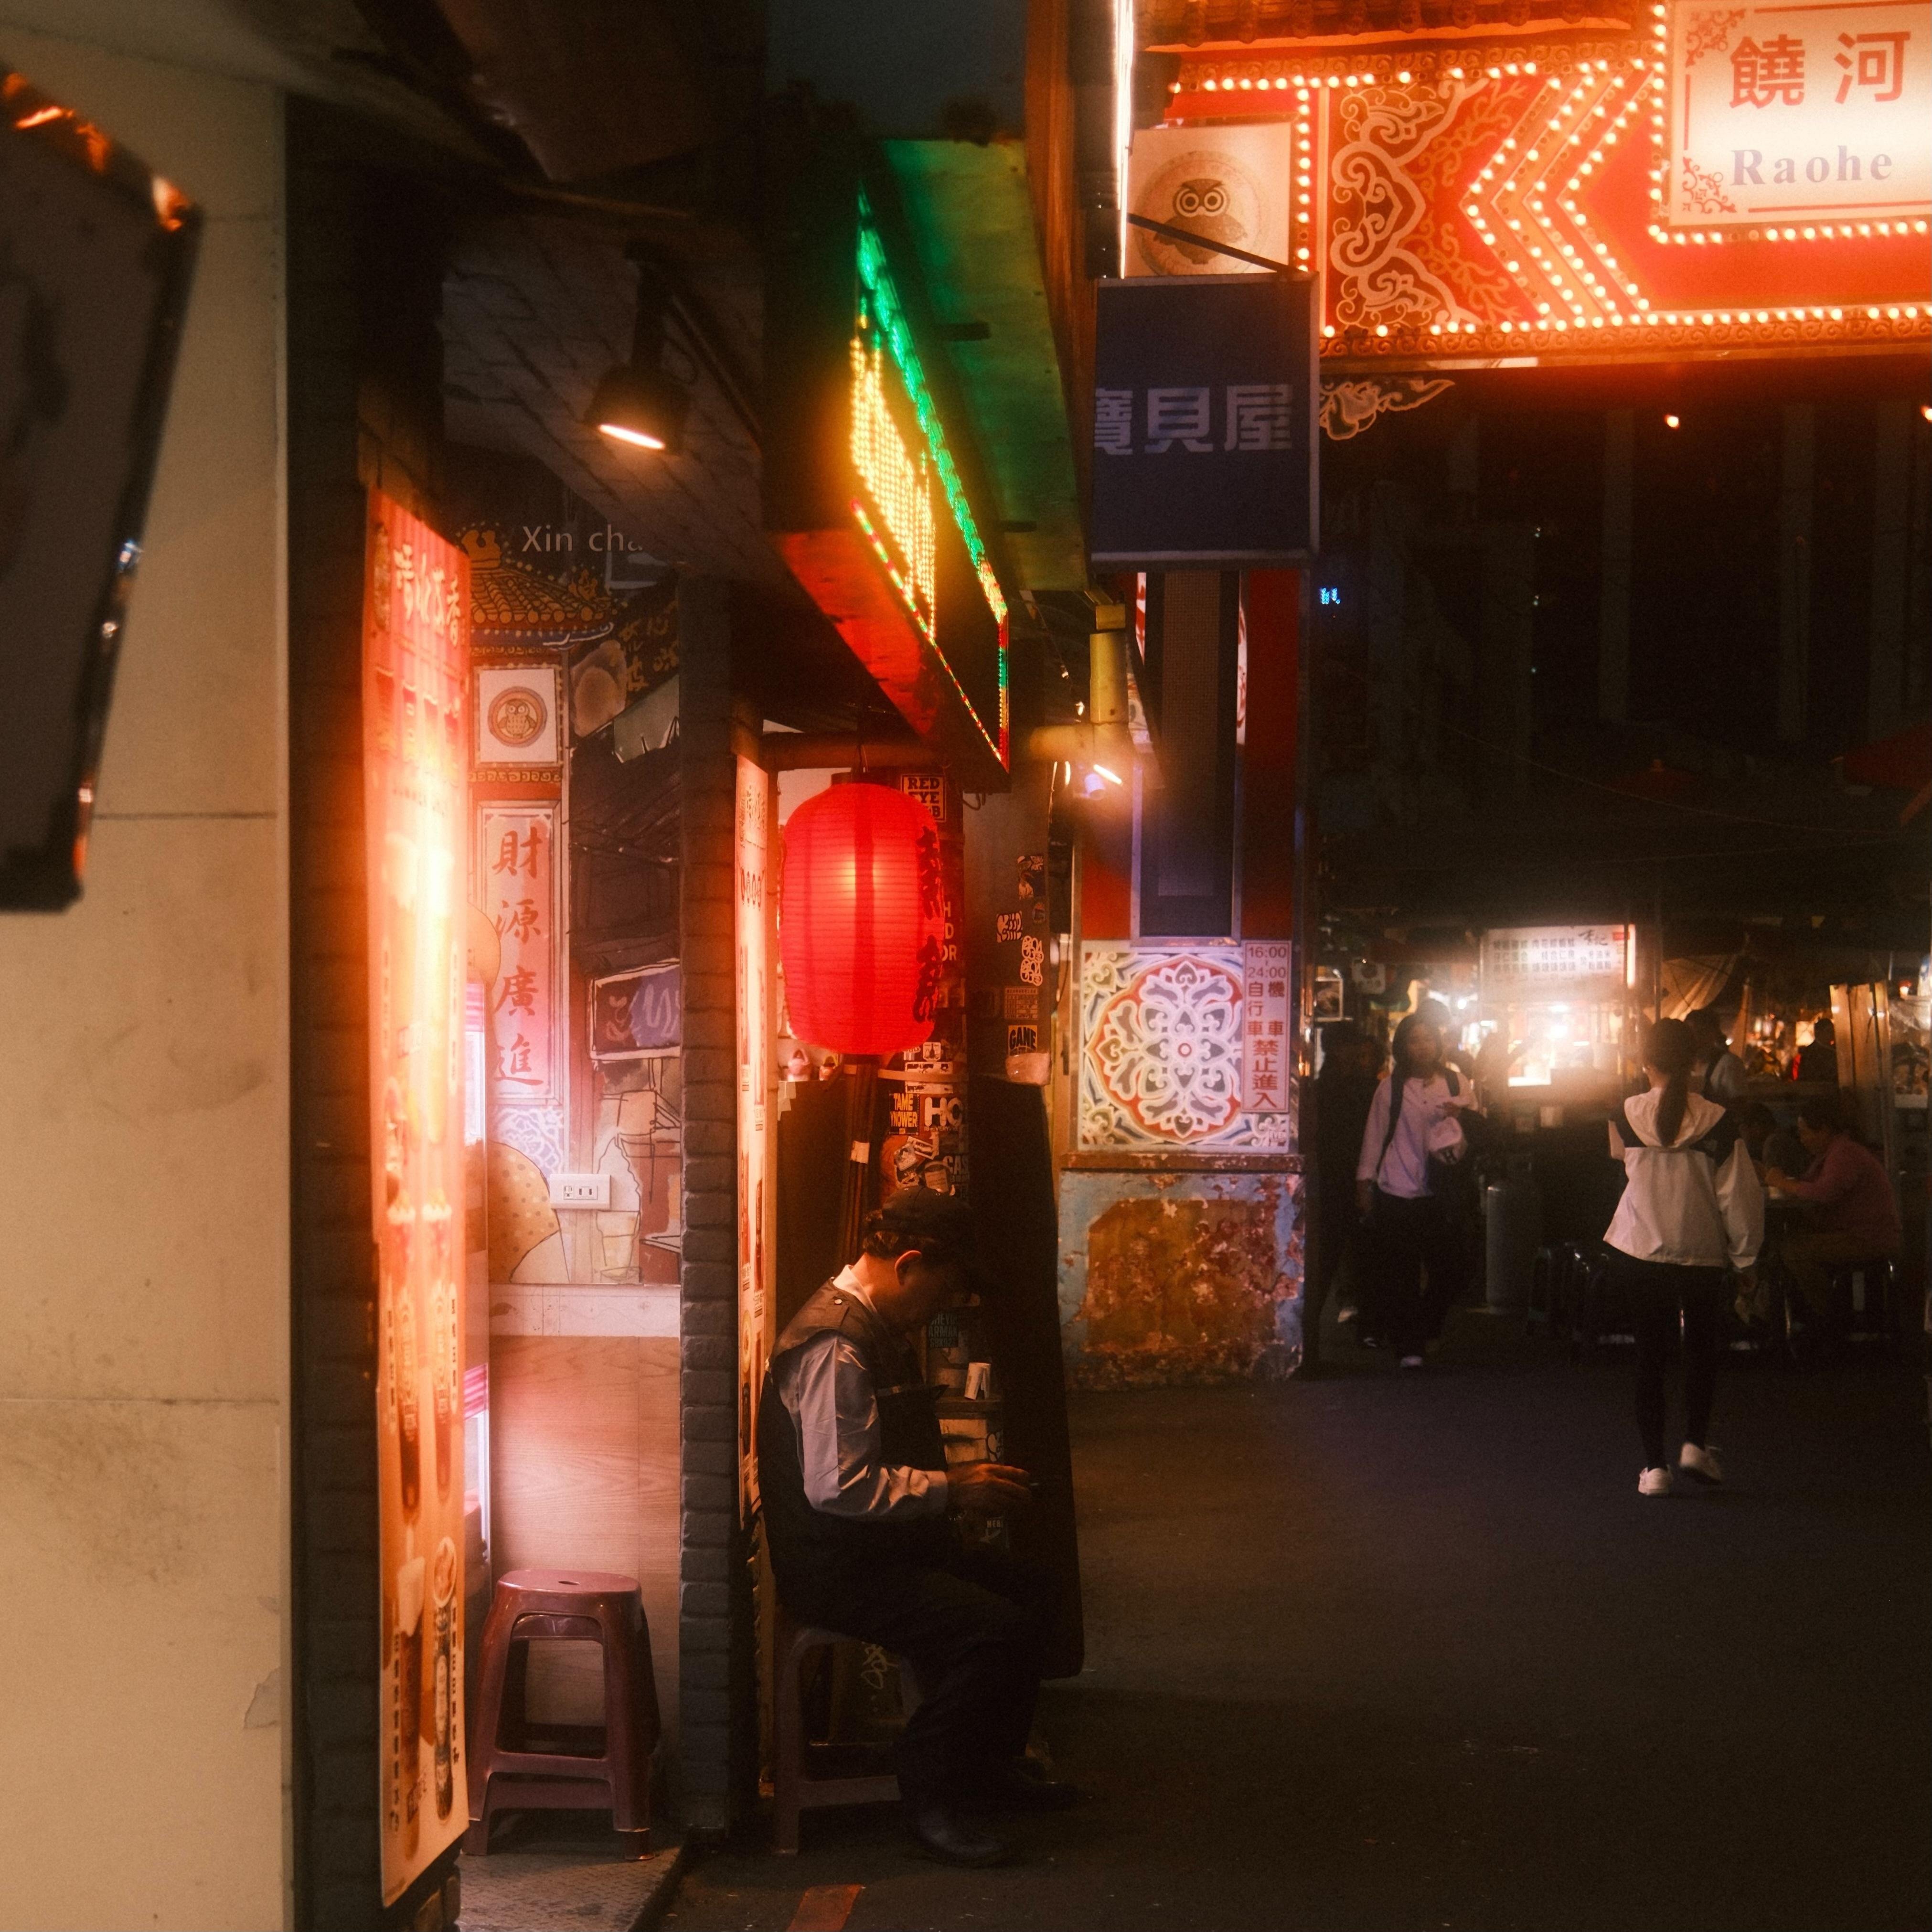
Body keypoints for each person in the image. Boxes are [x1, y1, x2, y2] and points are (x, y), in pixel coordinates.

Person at [756, 1187, 1073, 1868]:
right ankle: (930, 1793)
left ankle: (989, 1766)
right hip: (836, 1567)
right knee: (993, 1630)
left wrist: (959, 1488)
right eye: (941, 1292)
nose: (941, 1310)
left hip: (879, 1549)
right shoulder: (835, 1345)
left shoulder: (873, 1326)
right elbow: (836, 1488)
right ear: (907, 1266)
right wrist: (953, 1491)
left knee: (1035, 1594)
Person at [1604, 1019, 1763, 1497]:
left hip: (1639, 1247)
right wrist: (1746, 1259)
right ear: (1696, 1061)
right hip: (1700, 1249)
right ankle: (1694, 1444)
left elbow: (1623, 1161)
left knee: (1649, 1358)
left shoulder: (1624, 1114)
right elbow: (1738, 1196)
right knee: (1700, 1351)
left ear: (1643, 1060)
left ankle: (1654, 1469)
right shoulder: (1719, 1120)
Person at [1355, 1013, 1479, 1369]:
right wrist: (1363, 1183)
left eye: (1428, 1037)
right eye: (1414, 1039)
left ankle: (1426, 1324)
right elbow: (1374, 1136)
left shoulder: (1456, 1082)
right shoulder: (1390, 1088)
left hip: (1443, 1189)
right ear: (1403, 1046)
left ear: (1438, 1043)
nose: (1422, 1045)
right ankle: (1409, 1344)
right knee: (1401, 1272)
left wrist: (1463, 1113)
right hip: (1398, 1186)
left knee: (1451, 1267)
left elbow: (1479, 1127)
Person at [1765, 1092, 1901, 1326]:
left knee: (1794, 1251)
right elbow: (1811, 1186)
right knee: (1783, 1245)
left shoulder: (1844, 1153)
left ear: (1825, 1130)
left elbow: (1824, 1193)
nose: (1802, 1139)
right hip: (1853, 1232)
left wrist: (1781, 1183)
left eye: (1805, 1132)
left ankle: (1828, 1317)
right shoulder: (1830, 1154)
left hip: (1868, 1237)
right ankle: (1801, 1315)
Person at [1305, 1025, 1381, 1372]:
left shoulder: (1325, 1089)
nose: (1356, 1056)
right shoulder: (1341, 1089)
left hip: (1348, 1181)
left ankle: (1312, 1335)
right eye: (1352, 1049)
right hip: (1345, 1182)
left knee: (1345, 1257)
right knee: (1347, 1256)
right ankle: (1358, 1329)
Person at [1686, 1006, 1749, 1110]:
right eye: (1689, 1034)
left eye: (1699, 1033)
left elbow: (1740, 1106)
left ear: (1712, 1034)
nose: (1694, 1039)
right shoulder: (1683, 1065)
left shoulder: (1728, 1064)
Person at [1794, 1014, 1837, 1084]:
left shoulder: (1834, 1049)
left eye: (1833, 1031)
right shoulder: (1810, 1052)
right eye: (1828, 1031)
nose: (1832, 1034)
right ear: (1819, 1033)